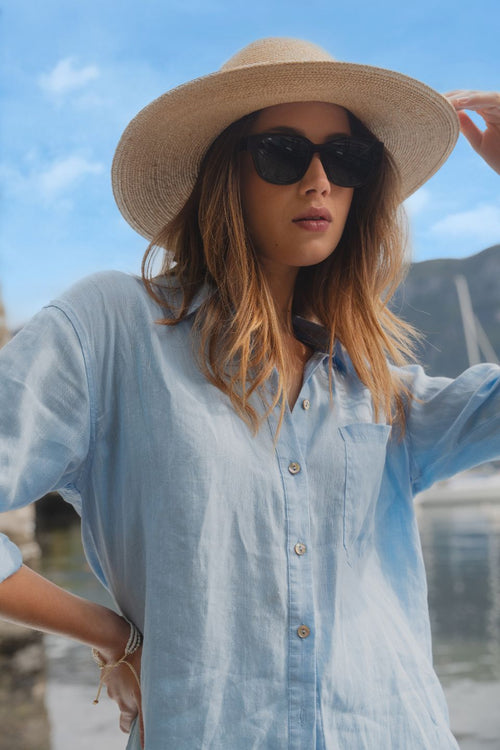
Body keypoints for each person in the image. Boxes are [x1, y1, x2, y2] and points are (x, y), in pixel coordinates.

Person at [0, 37, 499, 750]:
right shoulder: (111, 329)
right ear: (224, 174)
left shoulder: (375, 388)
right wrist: (110, 634)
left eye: (347, 159)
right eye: (284, 153)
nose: (320, 179)